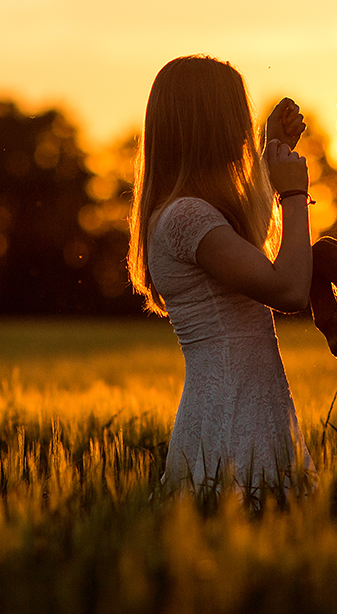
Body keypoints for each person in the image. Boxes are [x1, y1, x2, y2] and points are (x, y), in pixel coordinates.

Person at [127, 55, 314, 494]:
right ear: (210, 123)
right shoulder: (187, 217)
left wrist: (272, 153)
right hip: (233, 420)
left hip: (235, 407)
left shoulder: (184, 213)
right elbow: (289, 289)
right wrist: (293, 192)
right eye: (237, 113)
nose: (244, 128)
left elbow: (250, 244)